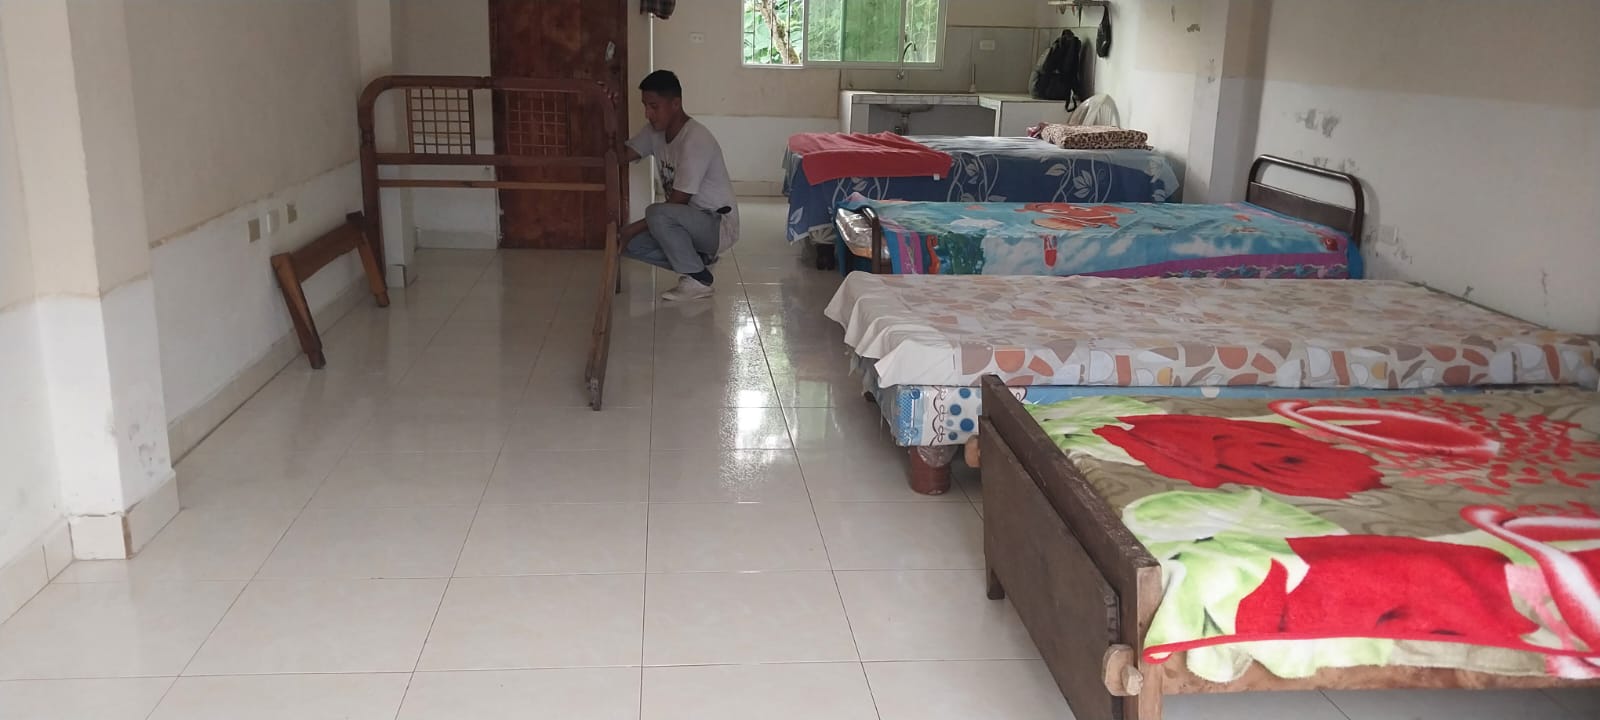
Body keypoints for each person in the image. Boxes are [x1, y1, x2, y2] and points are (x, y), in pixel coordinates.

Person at [620, 70, 739, 301]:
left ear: (676, 104)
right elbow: (621, 155)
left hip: (718, 226)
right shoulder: (654, 132)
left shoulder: (695, 139)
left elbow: (678, 201)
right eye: (645, 106)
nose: (647, 114)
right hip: (685, 222)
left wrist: (630, 229)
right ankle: (700, 262)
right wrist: (610, 114)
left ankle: (698, 280)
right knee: (629, 244)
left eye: (654, 106)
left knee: (656, 214)